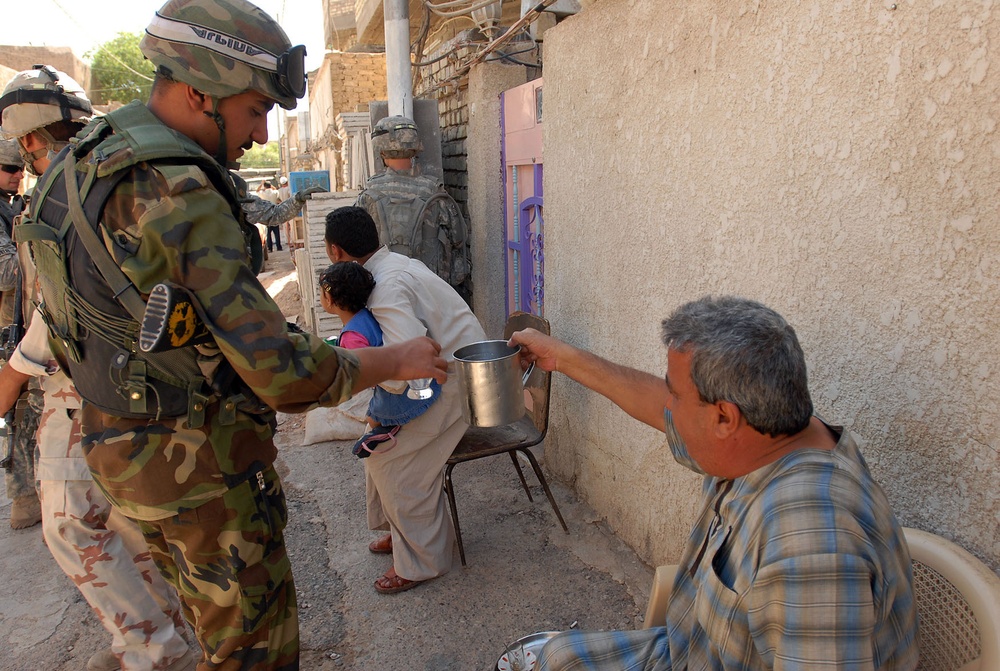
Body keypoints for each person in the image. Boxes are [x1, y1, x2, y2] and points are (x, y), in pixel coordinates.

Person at [18, 2, 446, 668]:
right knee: (253, 651)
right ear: (198, 92)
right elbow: (284, 374)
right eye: (253, 110)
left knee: (206, 626)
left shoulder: (82, 162)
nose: (261, 130)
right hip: (203, 472)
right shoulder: (177, 190)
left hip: (126, 457)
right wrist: (399, 358)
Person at [507, 296, 918, 670]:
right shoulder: (770, 435)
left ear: (723, 418)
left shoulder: (808, 539)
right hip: (688, 651)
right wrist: (561, 358)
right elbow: (655, 404)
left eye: (677, 396)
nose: (668, 407)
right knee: (553, 659)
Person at [0, 65, 200, 671]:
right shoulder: (111, 170)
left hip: (79, 387)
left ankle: (155, 649)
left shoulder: (66, 187)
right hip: (131, 379)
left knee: (72, 525)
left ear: (28, 137)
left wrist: (9, 383)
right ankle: (164, 637)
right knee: (130, 522)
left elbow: (59, 308)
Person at [324, 205, 486, 594]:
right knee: (374, 436)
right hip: (457, 371)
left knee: (388, 457)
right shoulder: (392, 263)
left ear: (334, 251)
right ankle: (402, 533)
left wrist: (371, 386)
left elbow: (412, 359)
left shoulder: (385, 285)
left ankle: (423, 561)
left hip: (454, 383)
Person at [317, 261, 440, 457]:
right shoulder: (366, 315)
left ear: (329, 299)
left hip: (397, 392)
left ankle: (387, 427)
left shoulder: (351, 336)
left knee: (372, 417)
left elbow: (362, 373)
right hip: (414, 378)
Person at [355, 116, 471, 300]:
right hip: (430, 288)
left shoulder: (369, 194)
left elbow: (355, 245)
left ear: (381, 151)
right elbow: (459, 237)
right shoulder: (434, 190)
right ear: (414, 149)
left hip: (384, 287)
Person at [0, 137, 38, 530]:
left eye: (20, 169)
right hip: (7, 328)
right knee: (19, 413)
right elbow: (8, 270)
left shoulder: (15, 208)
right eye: (9, 169)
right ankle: (23, 498)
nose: (17, 177)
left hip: (24, 318)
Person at [257, 180, 282, 251]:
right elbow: (276, 190)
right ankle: (279, 247)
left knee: (268, 233)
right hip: (275, 213)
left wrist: (261, 184)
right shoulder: (274, 192)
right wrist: (271, 186)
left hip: (266, 215)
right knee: (277, 232)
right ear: (270, 186)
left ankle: (270, 248)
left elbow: (257, 191)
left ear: (264, 186)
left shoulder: (262, 193)